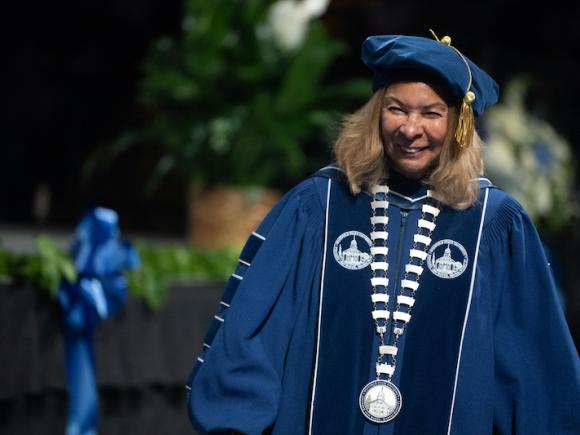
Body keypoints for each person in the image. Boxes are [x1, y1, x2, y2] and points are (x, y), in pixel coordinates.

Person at [186, 32, 580, 435]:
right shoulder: (318, 207)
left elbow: (534, 363)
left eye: (431, 113)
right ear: (376, 114)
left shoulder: (494, 224)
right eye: (397, 109)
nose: (410, 129)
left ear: (460, 124)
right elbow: (255, 331)